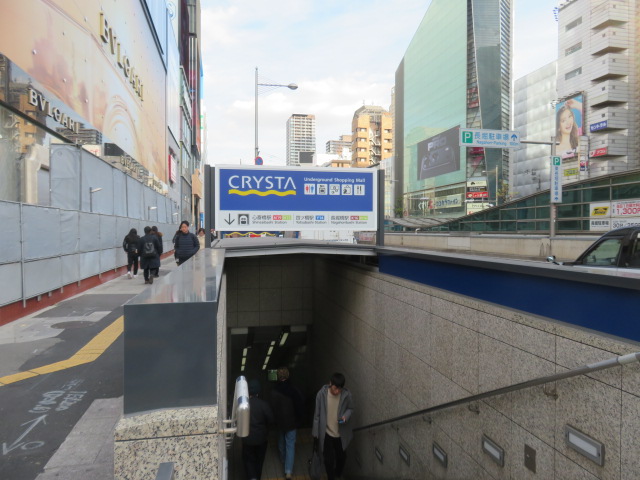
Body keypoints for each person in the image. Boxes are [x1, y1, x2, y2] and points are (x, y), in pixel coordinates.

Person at [312, 372, 354, 480]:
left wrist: (345, 417)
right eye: (335, 388)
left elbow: (350, 408)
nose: (337, 392)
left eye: (340, 389)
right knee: (328, 460)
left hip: (340, 433)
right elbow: (317, 415)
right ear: (330, 383)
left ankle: (337, 474)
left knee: (342, 457)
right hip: (326, 433)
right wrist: (315, 433)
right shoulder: (321, 395)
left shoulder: (347, 395)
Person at [270, 367, 304, 480]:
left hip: (280, 423)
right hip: (292, 423)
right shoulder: (294, 390)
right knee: (290, 445)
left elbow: (272, 408)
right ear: (288, 376)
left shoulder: (274, 391)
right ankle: (288, 471)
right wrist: (299, 420)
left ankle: (283, 459)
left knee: (281, 442)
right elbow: (299, 407)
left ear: (278, 377)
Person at [242, 379, 274, 480]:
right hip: (261, 439)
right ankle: (257, 477)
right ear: (258, 391)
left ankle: (252, 477)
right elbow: (271, 419)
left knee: (249, 461)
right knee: (259, 461)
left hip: (247, 438)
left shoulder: (243, 405)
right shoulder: (263, 404)